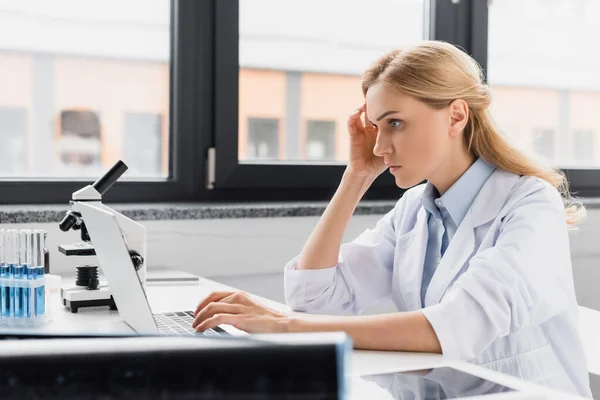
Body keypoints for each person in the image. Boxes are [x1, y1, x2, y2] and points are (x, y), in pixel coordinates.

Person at [192, 41, 591, 397]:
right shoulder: (416, 208)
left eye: (395, 123)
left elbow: (454, 327)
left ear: (455, 116)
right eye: (376, 127)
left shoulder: (530, 205)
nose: (380, 146)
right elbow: (316, 299)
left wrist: (283, 326)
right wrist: (356, 177)